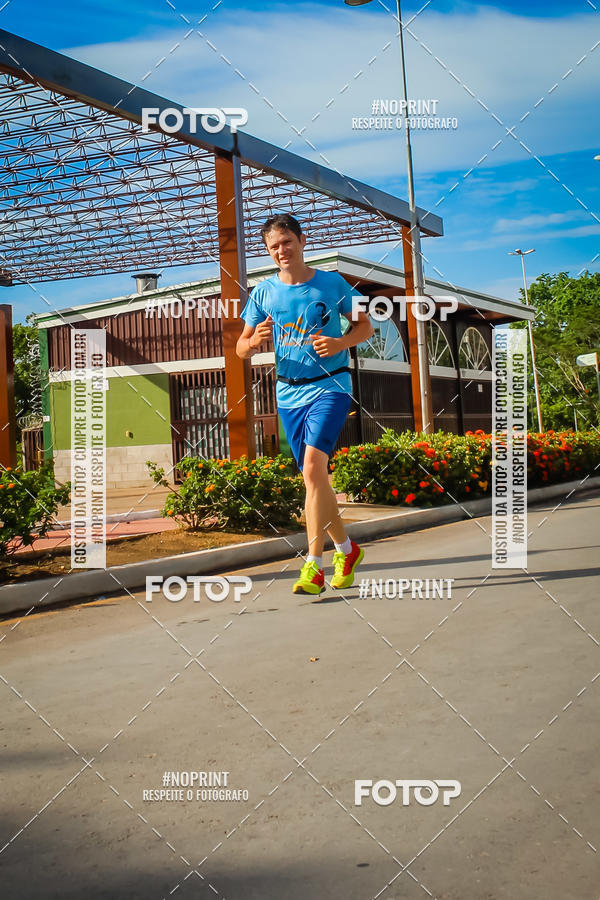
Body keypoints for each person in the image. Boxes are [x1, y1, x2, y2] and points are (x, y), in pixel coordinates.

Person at [236, 213, 374, 596]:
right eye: (273, 246)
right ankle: (347, 550)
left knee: (314, 468)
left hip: (331, 385)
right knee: (314, 481)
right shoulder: (264, 293)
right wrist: (254, 341)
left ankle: (313, 564)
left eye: (286, 242)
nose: (281, 251)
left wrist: (341, 343)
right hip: (287, 393)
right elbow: (240, 348)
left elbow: (365, 327)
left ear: (301, 241)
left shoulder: (331, 284)